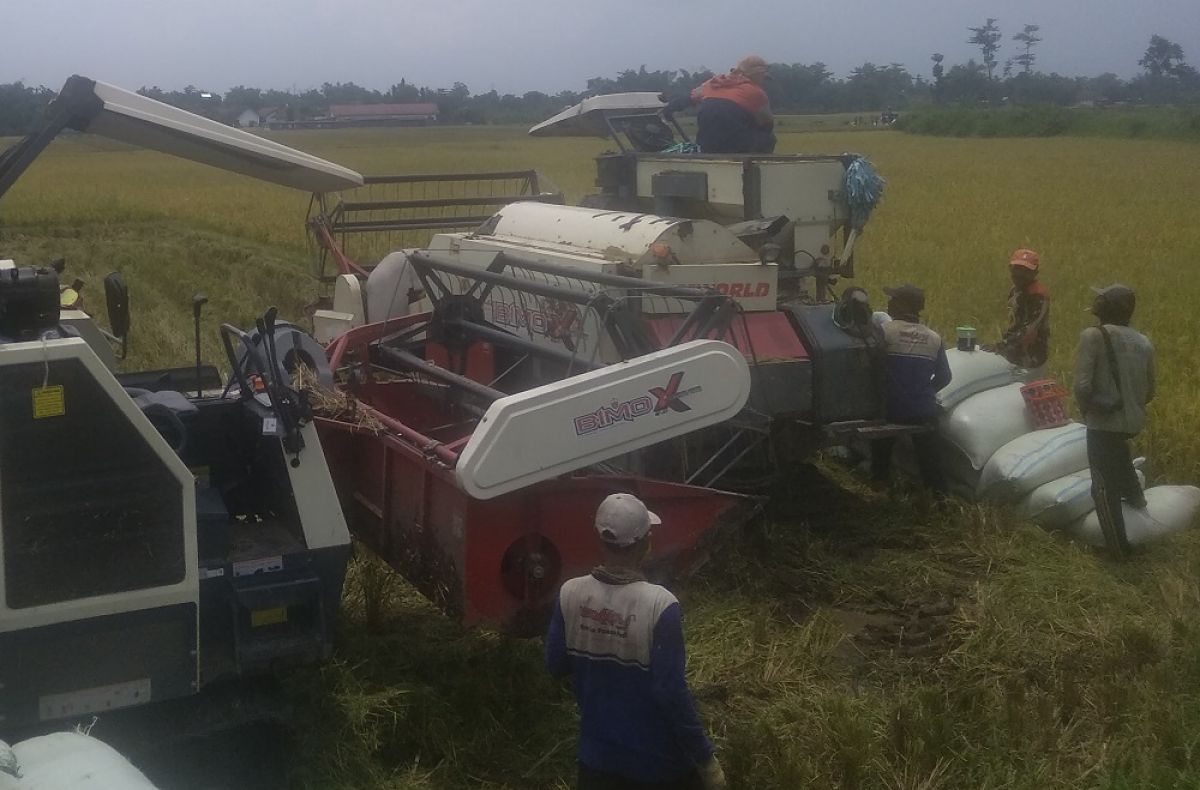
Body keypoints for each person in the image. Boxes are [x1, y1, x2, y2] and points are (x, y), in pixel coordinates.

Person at [546, 493, 726, 790]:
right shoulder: (660, 605)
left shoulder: (570, 593)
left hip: (596, 759)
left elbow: (555, 665)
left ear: (600, 539)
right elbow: (670, 692)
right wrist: (705, 758)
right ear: (645, 543)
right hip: (658, 765)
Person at [1074, 284, 1155, 559]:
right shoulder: (1144, 342)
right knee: (1119, 457)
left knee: (1102, 486)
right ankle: (1137, 499)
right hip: (1131, 420)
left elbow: (1082, 387)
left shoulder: (1093, 336)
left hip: (1103, 421)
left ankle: (1117, 550)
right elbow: (1149, 391)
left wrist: (1089, 411)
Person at [871, 284, 952, 493]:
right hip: (922, 410)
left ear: (902, 305)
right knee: (931, 460)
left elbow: (870, 368)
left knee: (880, 445)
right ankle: (940, 499)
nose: (889, 303)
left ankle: (879, 483)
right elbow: (945, 376)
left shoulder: (884, 332)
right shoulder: (934, 338)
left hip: (890, 408)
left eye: (893, 299)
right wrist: (921, 392)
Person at [663, 56, 775, 154]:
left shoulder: (712, 83)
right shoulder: (756, 93)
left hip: (706, 147)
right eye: (763, 77)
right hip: (737, 147)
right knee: (769, 139)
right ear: (756, 75)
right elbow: (767, 125)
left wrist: (668, 109)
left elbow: (686, 100)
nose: (763, 81)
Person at [991, 248, 1050, 369]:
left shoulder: (1038, 295)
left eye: (1025, 271)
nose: (1019, 275)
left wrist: (1003, 345)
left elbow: (1029, 328)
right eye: (1016, 270)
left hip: (1031, 354)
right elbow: (1014, 322)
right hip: (1014, 349)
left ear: (1034, 273)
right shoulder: (1016, 290)